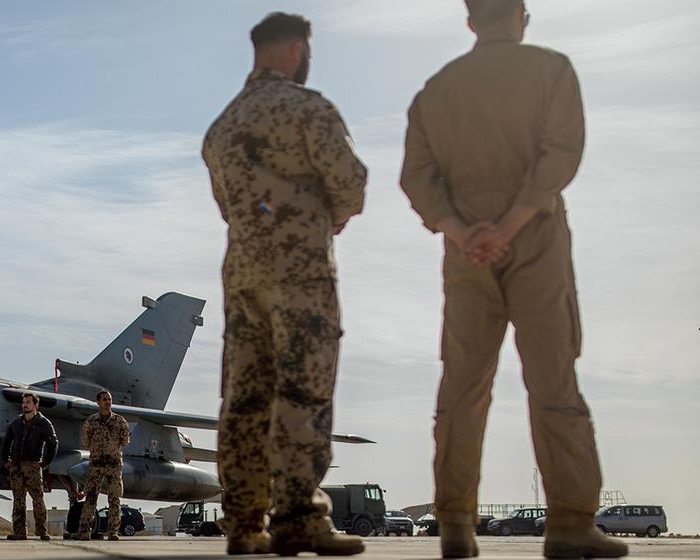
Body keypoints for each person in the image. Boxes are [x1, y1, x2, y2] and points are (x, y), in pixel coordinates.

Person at [398, 1, 626, 558]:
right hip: (536, 238)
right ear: (522, 15)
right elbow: (561, 152)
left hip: (465, 249)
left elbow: (417, 178)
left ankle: (454, 524)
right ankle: (571, 525)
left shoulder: (436, 89)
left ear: (470, 20)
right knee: (551, 378)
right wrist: (512, 222)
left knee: (463, 386)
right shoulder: (552, 70)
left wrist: (461, 230)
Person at [202, 11, 367, 557]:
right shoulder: (307, 108)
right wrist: (327, 215)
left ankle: (245, 524)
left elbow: (228, 207)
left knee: (245, 398)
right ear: (297, 49)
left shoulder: (222, 128)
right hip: (299, 273)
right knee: (304, 389)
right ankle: (298, 517)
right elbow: (350, 183)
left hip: (242, 275)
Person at [2, 392, 58, 540]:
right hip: (16, 466)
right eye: (23, 402)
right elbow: (7, 440)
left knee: (38, 499)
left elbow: (53, 444)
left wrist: (44, 463)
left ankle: (42, 531)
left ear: (35, 405)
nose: (25, 405)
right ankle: (19, 532)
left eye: (28, 402)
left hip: (32, 467)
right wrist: (6, 459)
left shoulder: (44, 423)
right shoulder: (16, 422)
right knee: (18, 499)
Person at [75, 390, 130, 540]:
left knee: (114, 500)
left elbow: (124, 441)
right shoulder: (91, 422)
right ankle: (84, 531)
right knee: (90, 498)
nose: (107, 402)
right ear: (98, 402)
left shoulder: (120, 422)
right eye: (104, 399)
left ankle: (113, 532)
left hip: (114, 465)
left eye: (109, 399)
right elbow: (86, 442)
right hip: (96, 465)